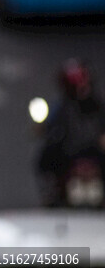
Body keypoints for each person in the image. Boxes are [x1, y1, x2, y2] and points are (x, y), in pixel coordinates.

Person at [36, 59, 105, 205]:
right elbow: (48, 127)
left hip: (94, 153)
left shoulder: (98, 106)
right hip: (69, 154)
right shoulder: (61, 108)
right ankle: (52, 192)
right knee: (45, 158)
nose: (83, 90)